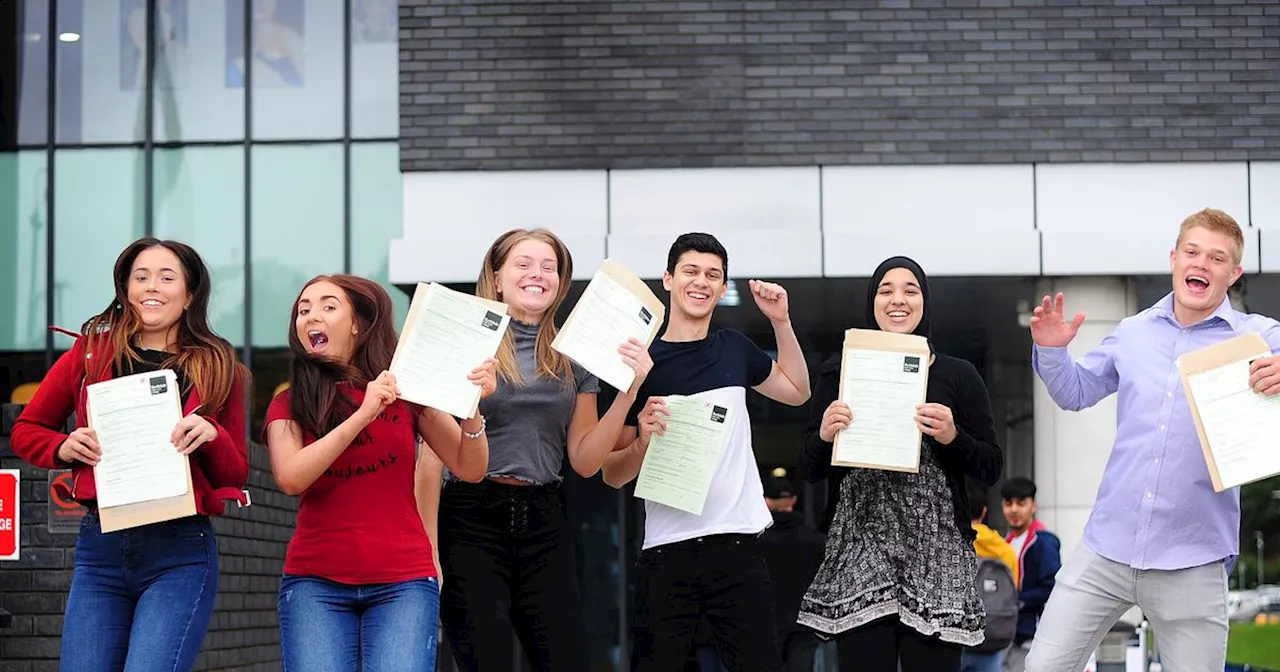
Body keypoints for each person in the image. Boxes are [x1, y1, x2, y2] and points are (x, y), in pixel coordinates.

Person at [1025, 208, 1280, 672]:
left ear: (1234, 272)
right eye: (1192, 252)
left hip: (1194, 560)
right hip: (1106, 548)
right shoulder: (1133, 332)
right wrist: (1051, 349)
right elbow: (1075, 391)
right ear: (1174, 258)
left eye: (1217, 258)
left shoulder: (1259, 338)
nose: (1201, 263)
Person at [11, 237, 250, 671]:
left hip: (180, 548)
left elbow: (236, 471)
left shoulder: (218, 367)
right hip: (101, 545)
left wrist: (212, 434)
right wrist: (62, 446)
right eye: (140, 277)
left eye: (166, 276)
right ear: (125, 289)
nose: (151, 287)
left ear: (190, 293)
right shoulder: (88, 355)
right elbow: (26, 430)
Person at [423, 228, 652, 672]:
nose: (537, 275)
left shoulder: (574, 355)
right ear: (497, 275)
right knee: (483, 661)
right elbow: (432, 453)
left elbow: (586, 460)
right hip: (470, 517)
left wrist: (628, 390)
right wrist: (428, 548)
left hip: (544, 518)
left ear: (561, 282)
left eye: (549, 267)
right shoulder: (468, 340)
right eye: (523, 264)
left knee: (566, 660)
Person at [603, 232, 812, 672]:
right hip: (666, 551)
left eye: (713, 275)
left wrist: (781, 321)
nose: (701, 281)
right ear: (668, 279)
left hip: (738, 548)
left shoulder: (733, 346)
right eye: (691, 271)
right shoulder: (641, 362)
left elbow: (797, 391)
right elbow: (611, 474)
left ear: (722, 288)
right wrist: (642, 439)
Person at [264, 274, 494, 671]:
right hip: (315, 582)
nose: (311, 316)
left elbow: (469, 467)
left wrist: (471, 406)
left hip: (403, 582)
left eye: (327, 306)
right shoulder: (290, 400)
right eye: (303, 310)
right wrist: (363, 414)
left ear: (357, 323)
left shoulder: (407, 390)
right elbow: (290, 477)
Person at [797, 256, 1003, 672]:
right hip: (861, 551)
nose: (898, 300)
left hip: (937, 557)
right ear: (872, 302)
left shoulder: (958, 374)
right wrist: (824, 434)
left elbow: (991, 467)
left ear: (925, 301)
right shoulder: (840, 371)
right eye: (886, 290)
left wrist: (953, 437)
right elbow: (808, 468)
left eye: (911, 290)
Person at [760, 475, 827, 672]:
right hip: (803, 623)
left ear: (766, 502)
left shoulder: (755, 542)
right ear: (794, 500)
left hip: (766, 623)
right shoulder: (815, 540)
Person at [999, 477, 1059, 672]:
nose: (1014, 510)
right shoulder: (1004, 543)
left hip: (1033, 635)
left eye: (1021, 503)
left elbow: (1051, 587)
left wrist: (1017, 600)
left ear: (1033, 506)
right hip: (1009, 634)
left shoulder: (1043, 542)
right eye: (1009, 503)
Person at [963, 483, 1020, 672]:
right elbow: (1015, 590)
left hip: (958, 640)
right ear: (985, 511)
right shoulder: (1005, 550)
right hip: (993, 639)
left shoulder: (953, 545)